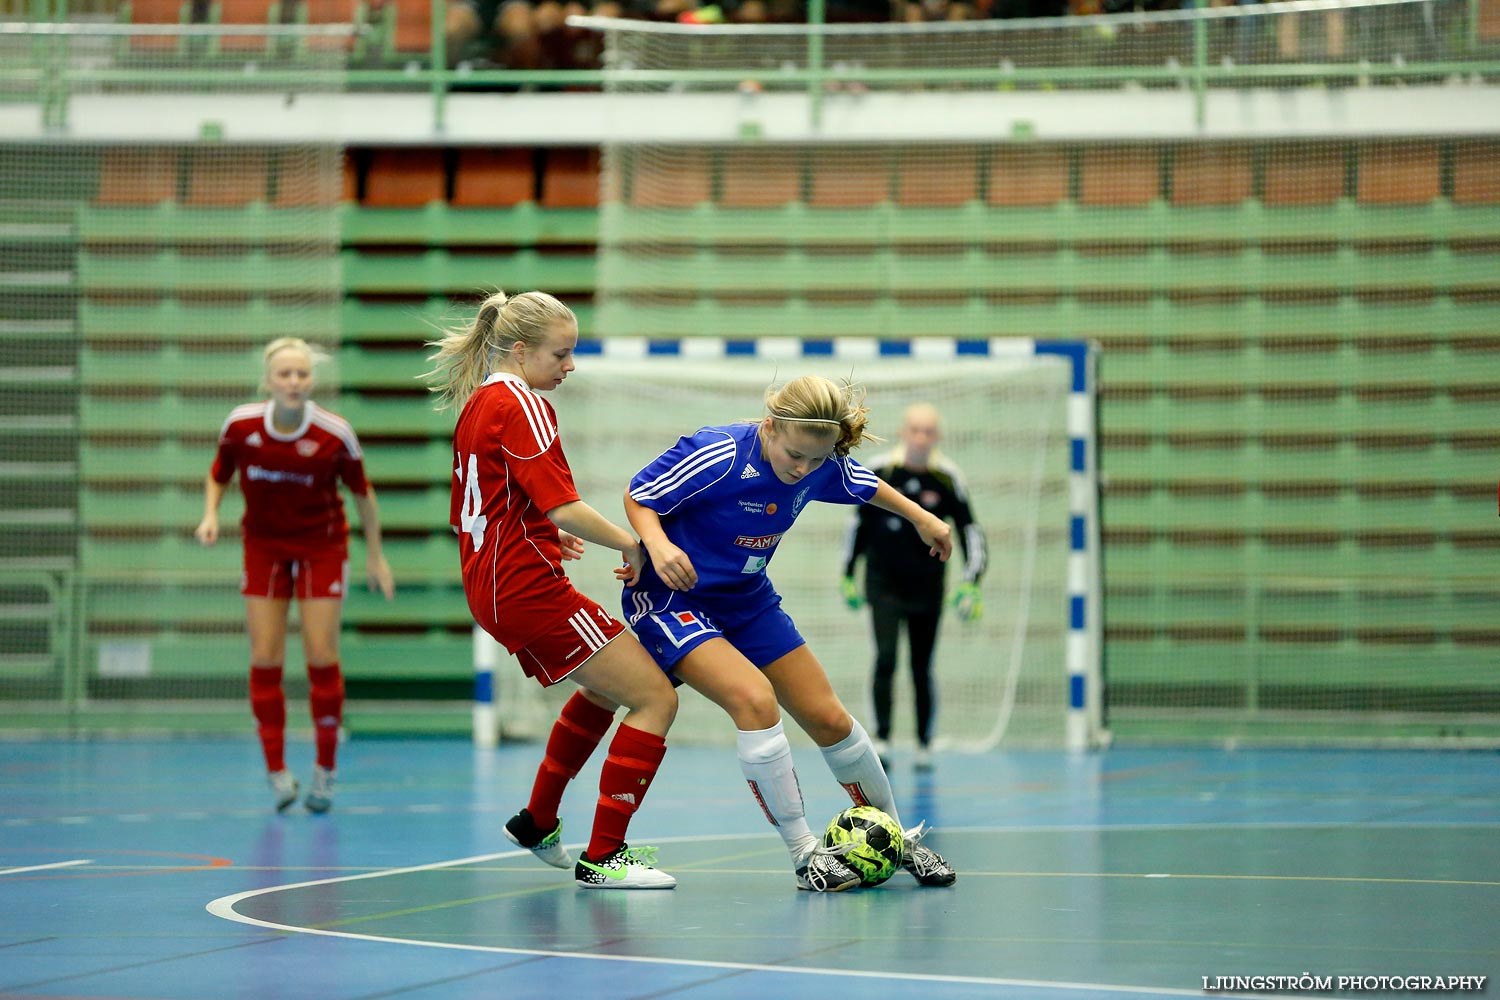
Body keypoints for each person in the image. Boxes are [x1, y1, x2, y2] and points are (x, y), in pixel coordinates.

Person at [620, 375, 959, 892]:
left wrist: (924, 519)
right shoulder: (718, 453)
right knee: (756, 702)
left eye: (816, 461)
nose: (803, 469)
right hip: (674, 597)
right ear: (771, 426)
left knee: (829, 717)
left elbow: (866, 484)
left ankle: (896, 837)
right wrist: (658, 546)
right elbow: (639, 495)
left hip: (748, 599)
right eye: (795, 455)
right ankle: (806, 858)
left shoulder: (819, 463)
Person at [424, 289, 679, 890]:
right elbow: (564, 505)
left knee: (604, 689)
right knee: (656, 697)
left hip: (493, 587)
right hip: (525, 590)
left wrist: (537, 532)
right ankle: (604, 857)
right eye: (560, 355)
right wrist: (632, 542)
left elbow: (487, 501)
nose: (570, 366)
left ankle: (537, 819)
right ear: (520, 351)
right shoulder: (524, 406)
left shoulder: (481, 401)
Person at [195, 337, 396, 815]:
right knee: (265, 657)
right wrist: (210, 514)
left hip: (321, 549)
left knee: (321, 655)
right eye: (284, 374)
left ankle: (325, 770)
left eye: (301, 374)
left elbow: (363, 495)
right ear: (268, 380)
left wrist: (375, 555)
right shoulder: (241, 425)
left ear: (312, 380)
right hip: (263, 548)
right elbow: (219, 473)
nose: (293, 382)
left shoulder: (334, 434)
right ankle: (276, 771)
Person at [841, 402, 986, 770]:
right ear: (905, 432)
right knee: (886, 658)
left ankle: (923, 741)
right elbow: (857, 526)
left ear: (936, 436)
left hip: (928, 587)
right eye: (915, 430)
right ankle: (883, 737)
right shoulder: (881, 471)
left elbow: (970, 530)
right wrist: (847, 573)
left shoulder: (947, 477)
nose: (921, 437)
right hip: (883, 584)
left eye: (928, 431)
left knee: (922, 665)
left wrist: (972, 580)